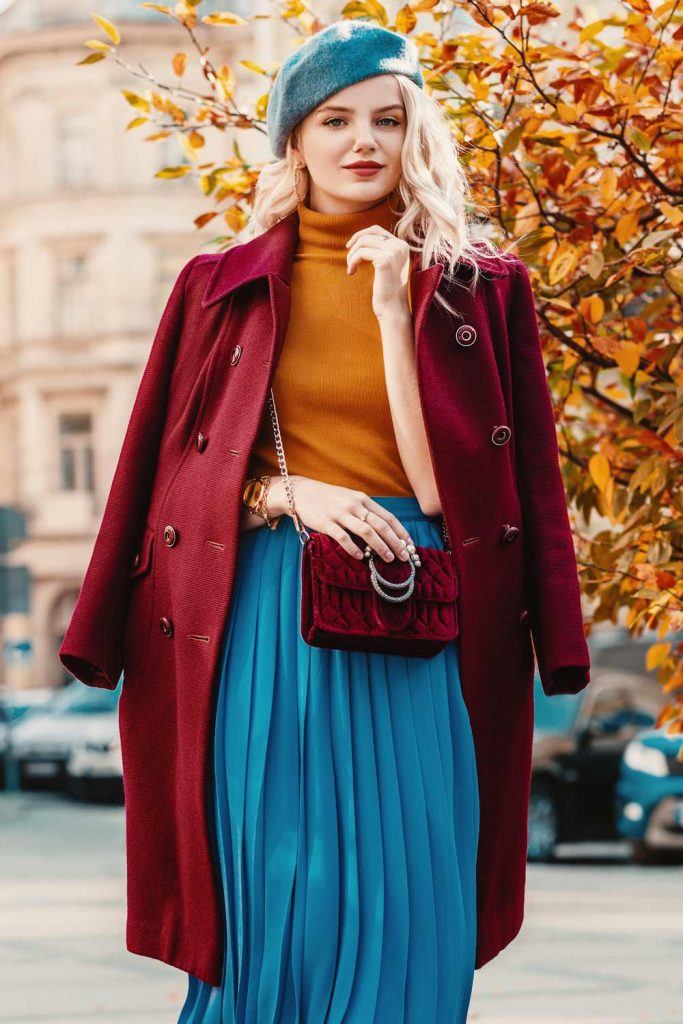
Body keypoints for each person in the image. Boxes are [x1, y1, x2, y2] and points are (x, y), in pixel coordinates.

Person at [178, 19, 507, 1024]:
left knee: (416, 909)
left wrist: (388, 311)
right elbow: (170, 487)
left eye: (388, 118)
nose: (363, 140)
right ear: (294, 139)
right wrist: (285, 493)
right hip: (272, 615)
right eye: (335, 119)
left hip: (418, 610)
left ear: (416, 134)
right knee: (282, 902)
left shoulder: (475, 284)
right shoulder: (219, 285)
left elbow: (447, 489)